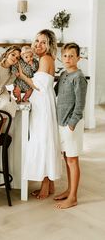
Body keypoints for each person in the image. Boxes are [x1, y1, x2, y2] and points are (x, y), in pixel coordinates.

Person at [17, 29, 62, 199]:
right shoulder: (43, 59)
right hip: (44, 104)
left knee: (43, 141)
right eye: (36, 40)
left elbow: (38, 85)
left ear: (49, 45)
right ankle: (50, 185)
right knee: (46, 140)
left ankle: (45, 186)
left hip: (43, 106)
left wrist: (21, 75)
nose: (38, 44)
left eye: (43, 42)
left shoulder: (45, 58)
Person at [54, 42, 87, 209]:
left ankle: (73, 197)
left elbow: (80, 106)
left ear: (78, 58)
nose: (68, 58)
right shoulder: (63, 74)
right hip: (62, 123)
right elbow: (54, 93)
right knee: (67, 158)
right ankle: (69, 190)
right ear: (61, 58)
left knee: (73, 160)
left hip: (71, 125)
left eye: (71, 56)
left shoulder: (79, 78)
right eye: (65, 55)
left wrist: (71, 125)